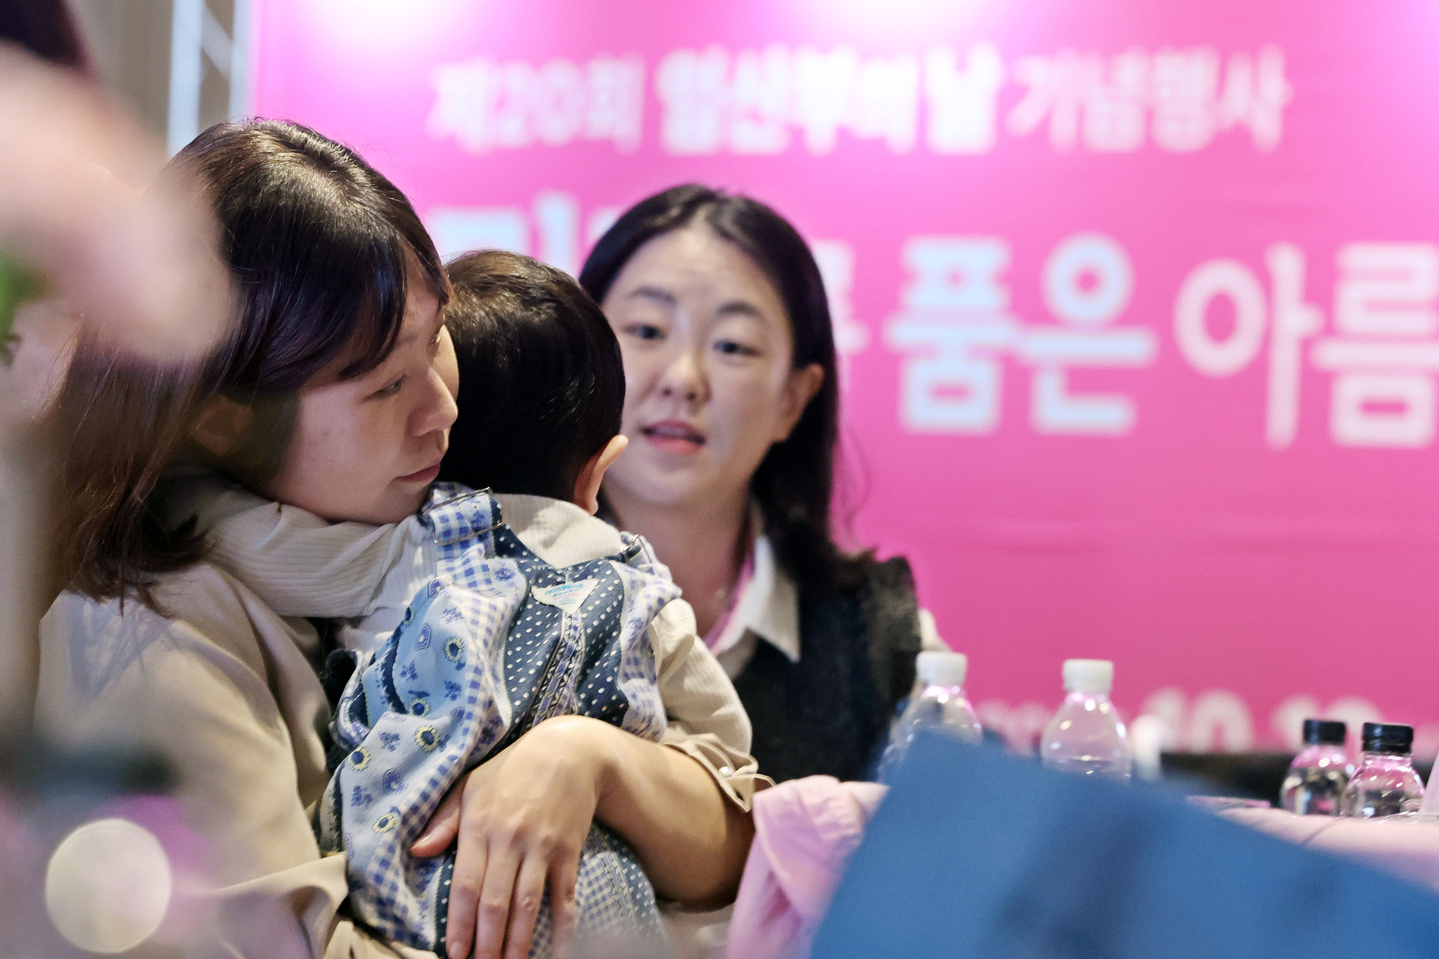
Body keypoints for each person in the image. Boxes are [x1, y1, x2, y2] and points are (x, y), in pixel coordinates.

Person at [35, 124, 757, 959]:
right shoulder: (145, 633)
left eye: (436, 340)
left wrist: (586, 757)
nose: (441, 409)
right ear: (221, 416)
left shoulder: (450, 538)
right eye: (384, 385)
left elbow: (737, 831)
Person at [173, 250, 756, 956]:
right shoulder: (640, 585)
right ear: (598, 470)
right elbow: (726, 748)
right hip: (590, 901)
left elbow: (246, 542)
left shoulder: (407, 545)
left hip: (414, 897)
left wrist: (175, 460)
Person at [579, 185, 947, 785]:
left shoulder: (884, 645)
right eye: (646, 330)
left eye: (733, 346)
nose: (683, 379)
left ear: (793, 400)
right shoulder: (486, 586)